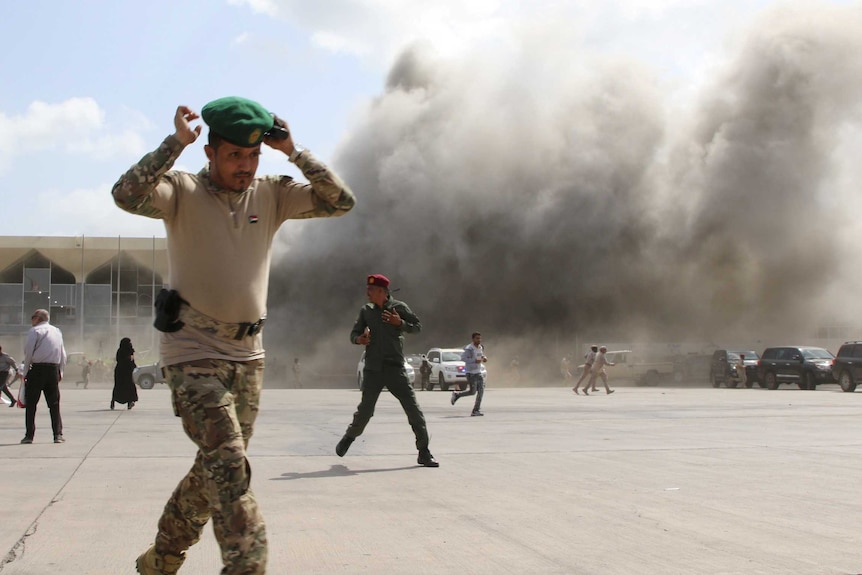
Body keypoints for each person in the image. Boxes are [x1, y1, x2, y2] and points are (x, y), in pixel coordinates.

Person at [112, 96, 355, 575]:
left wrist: (293, 150)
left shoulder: (272, 193)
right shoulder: (180, 191)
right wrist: (174, 144)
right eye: (234, 156)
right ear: (211, 153)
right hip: (192, 352)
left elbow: (339, 201)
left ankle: (161, 558)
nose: (245, 167)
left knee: (215, 471)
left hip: (249, 358)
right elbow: (126, 194)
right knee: (230, 467)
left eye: (252, 156)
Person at [336, 274, 438, 467]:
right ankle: (350, 436)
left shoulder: (399, 308)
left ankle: (424, 451)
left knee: (413, 410)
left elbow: (417, 327)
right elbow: (354, 334)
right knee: (365, 412)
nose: (367, 293)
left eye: (371, 290)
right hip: (373, 370)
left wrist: (399, 323)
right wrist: (360, 339)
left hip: (395, 369)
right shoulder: (366, 311)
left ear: (382, 292)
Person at [20, 309, 67, 444]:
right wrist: (60, 371)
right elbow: (63, 354)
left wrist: (25, 372)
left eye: (32, 317)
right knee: (54, 404)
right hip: (53, 369)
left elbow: (28, 353)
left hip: (38, 369)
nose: (31, 320)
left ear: (38, 318)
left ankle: (29, 435)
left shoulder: (35, 331)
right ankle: (57, 434)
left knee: (31, 404)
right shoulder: (57, 331)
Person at [451, 332, 488, 416]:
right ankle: (457, 394)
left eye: (480, 338)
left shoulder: (480, 347)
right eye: (477, 338)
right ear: (473, 339)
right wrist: (474, 361)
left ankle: (476, 410)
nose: (479, 340)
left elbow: (480, 355)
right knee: (472, 392)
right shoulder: (469, 349)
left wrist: (484, 358)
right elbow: (463, 358)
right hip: (471, 373)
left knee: (481, 391)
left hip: (478, 372)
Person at [112, 338, 138, 410]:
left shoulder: (128, 351)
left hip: (124, 371)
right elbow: (122, 360)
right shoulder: (122, 351)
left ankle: (129, 401)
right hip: (123, 371)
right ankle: (115, 401)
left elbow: (132, 360)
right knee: (123, 386)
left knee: (126, 386)